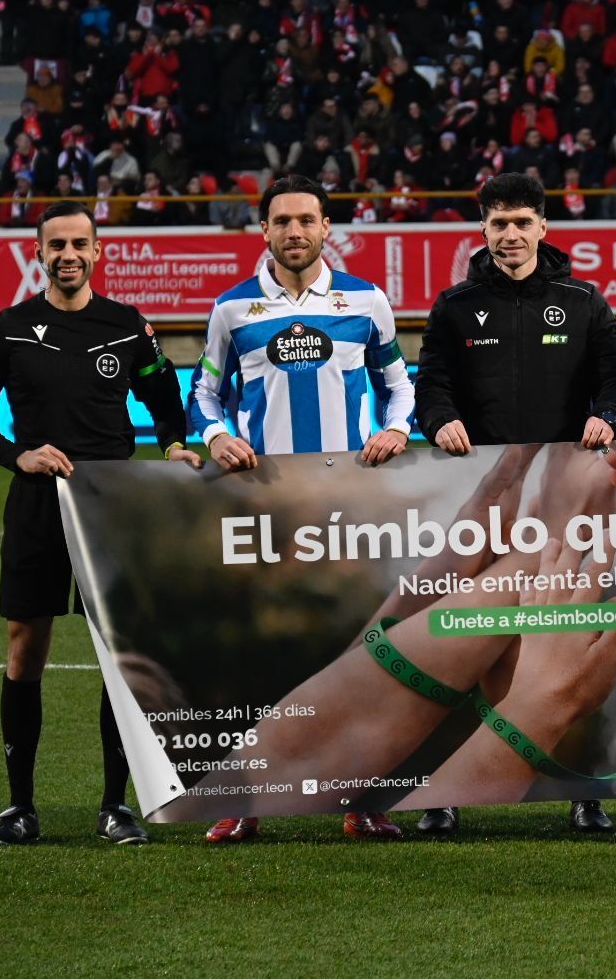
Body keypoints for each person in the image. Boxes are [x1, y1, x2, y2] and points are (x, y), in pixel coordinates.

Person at [0, 200, 200, 846]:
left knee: (118, 657)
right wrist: (19, 455)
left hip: (111, 505)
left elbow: (166, 402)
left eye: (79, 244)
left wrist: (173, 444)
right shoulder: (8, 327)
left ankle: (115, 807)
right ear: (39, 253)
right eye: (56, 244)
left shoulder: (126, 326)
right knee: (23, 647)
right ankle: (19, 808)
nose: (68, 254)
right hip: (37, 503)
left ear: (97, 252)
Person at [187, 174, 417, 843]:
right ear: (263, 230)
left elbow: (398, 384)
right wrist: (217, 434)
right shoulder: (232, 309)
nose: (294, 231)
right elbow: (204, 394)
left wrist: (398, 429)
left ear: (325, 228)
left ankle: (364, 798)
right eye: (282, 220)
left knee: (360, 652)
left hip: (349, 501)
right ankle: (246, 802)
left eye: (306, 220)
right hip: (266, 506)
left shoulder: (366, 300)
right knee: (262, 652)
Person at [413, 171, 616, 834]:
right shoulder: (454, 305)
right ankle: (444, 793)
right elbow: (432, 384)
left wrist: (611, 414)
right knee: (470, 646)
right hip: (480, 501)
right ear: (482, 230)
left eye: (521, 223)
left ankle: (579, 790)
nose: (509, 235)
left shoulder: (582, 301)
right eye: (497, 223)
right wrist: (439, 420)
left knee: (563, 650)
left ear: (543, 227)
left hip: (565, 504)